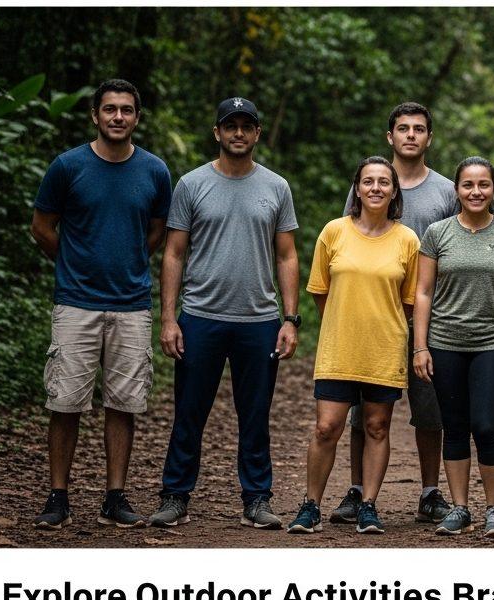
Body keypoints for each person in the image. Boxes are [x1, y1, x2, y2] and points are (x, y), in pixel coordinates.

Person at [150, 97, 300, 530]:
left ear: (256, 133)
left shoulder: (276, 187)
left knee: (255, 413)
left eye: (245, 126)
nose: (238, 133)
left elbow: (287, 256)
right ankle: (175, 495)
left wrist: (289, 319)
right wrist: (168, 317)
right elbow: (174, 253)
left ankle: (256, 498)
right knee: (189, 412)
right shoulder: (192, 184)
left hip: (258, 320)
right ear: (216, 132)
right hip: (200, 316)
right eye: (229, 125)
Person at [29, 78, 172, 530]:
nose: (117, 117)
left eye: (126, 110)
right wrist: (73, 263)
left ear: (136, 117)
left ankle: (115, 495)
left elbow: (156, 232)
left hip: (131, 303)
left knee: (124, 402)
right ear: (95, 115)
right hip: (76, 303)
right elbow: (42, 226)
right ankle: (58, 496)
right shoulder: (68, 166)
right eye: (109, 109)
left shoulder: (154, 171)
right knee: (65, 400)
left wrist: (127, 262)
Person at [335, 102, 459, 525]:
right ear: (390, 137)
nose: (410, 135)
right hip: (373, 314)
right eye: (402, 128)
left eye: (419, 129)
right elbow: (350, 238)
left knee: (430, 409)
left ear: (429, 138)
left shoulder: (445, 191)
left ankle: (429, 491)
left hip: (431, 315)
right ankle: (355, 491)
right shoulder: (370, 181)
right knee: (361, 409)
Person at [287, 156, 418, 535]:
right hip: (339, 347)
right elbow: (321, 291)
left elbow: (409, 301)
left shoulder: (407, 239)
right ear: (356, 188)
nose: (375, 188)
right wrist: (346, 320)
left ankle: (368, 505)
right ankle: (311, 505)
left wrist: (379, 322)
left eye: (383, 182)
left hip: (384, 348)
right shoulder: (334, 232)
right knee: (327, 427)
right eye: (367, 182)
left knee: (377, 426)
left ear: (394, 191)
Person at [412, 157, 494, 537]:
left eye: (483, 185)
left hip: (493, 343)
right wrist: (420, 346)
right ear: (457, 190)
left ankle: (493, 509)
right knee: (455, 426)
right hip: (444, 342)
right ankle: (461, 507)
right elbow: (424, 291)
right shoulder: (437, 233)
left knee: (486, 425)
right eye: (468, 185)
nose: (475, 192)